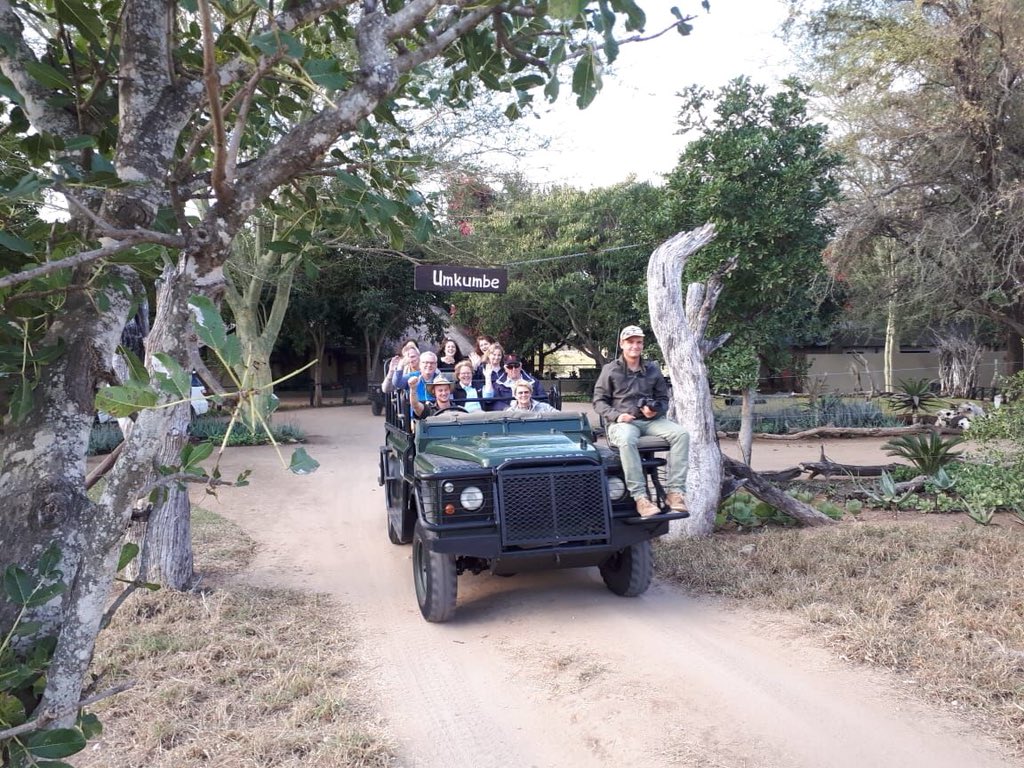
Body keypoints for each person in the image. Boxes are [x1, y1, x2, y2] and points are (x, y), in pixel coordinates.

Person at [593, 325, 689, 518]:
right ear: (622, 344)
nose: (635, 346)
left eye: (639, 342)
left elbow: (663, 399)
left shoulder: (653, 369)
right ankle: (640, 498)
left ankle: (675, 493)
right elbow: (598, 401)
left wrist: (655, 410)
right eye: (630, 342)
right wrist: (617, 416)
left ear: (643, 345)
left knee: (682, 434)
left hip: (651, 421)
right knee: (627, 439)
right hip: (623, 423)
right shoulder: (610, 370)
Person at [474, 343, 504, 409]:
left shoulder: (505, 369)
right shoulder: (482, 368)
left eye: (499, 355)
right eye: (494, 355)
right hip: (488, 401)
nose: (496, 357)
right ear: (489, 355)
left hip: (504, 399)